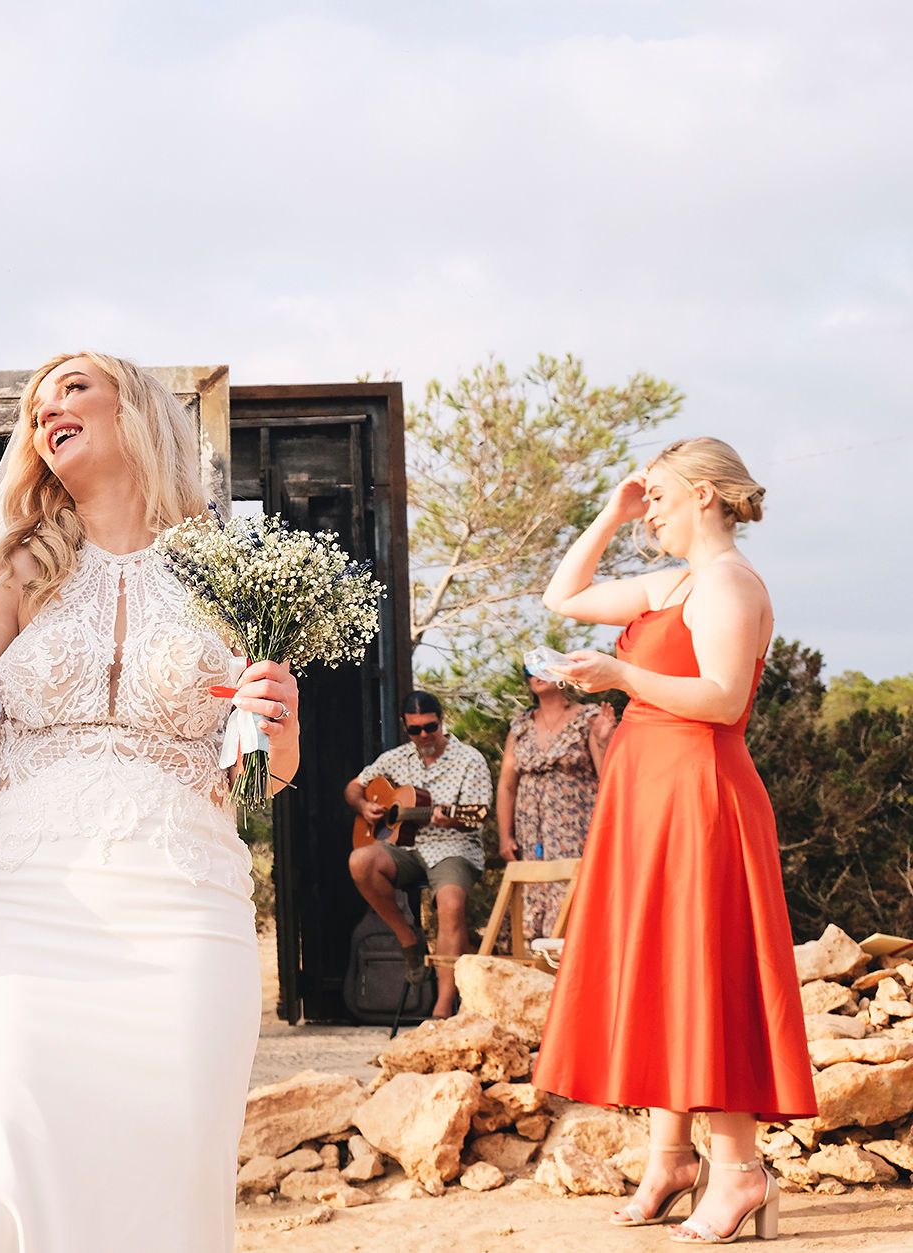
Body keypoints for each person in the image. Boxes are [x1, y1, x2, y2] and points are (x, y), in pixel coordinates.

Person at [0, 351, 302, 1252]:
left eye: (74, 388)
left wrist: (282, 724)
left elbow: (259, 782)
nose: (48, 410)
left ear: (135, 411)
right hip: (17, 903)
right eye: (38, 405)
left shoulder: (231, 572)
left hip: (185, 908)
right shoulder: (18, 567)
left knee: (169, 1171)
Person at [533, 437, 814, 1244]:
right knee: (663, 966)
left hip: (700, 793)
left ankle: (739, 1171)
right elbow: (562, 594)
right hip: (649, 796)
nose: (648, 510)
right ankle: (672, 1157)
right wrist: (611, 510)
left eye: (657, 496)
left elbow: (722, 699)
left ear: (705, 495)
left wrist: (623, 676)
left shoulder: (729, 582)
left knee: (704, 968)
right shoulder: (675, 581)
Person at [345, 692, 493, 1018]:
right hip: (406, 849)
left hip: (453, 847)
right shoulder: (394, 759)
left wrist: (450, 818)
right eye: (415, 730)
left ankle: (442, 1007)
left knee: (450, 905)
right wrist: (364, 806)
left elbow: (477, 814)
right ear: (405, 727)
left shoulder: (469, 760)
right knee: (360, 861)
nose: (424, 735)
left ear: (442, 721)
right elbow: (353, 787)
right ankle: (408, 938)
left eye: (430, 727)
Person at [495, 663, 615, 942]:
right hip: (530, 830)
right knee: (534, 894)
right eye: (530, 670)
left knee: (573, 894)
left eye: (544, 667)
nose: (537, 675)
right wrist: (505, 835)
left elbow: (607, 776)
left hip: (574, 826)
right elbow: (507, 786)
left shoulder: (586, 718)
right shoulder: (521, 726)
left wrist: (604, 740)